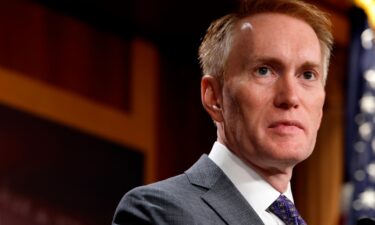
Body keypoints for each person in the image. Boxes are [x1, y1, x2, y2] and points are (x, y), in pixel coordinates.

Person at [112, 0, 333, 224]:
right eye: (264, 71)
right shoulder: (159, 213)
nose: (290, 97)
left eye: (307, 75)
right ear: (214, 97)